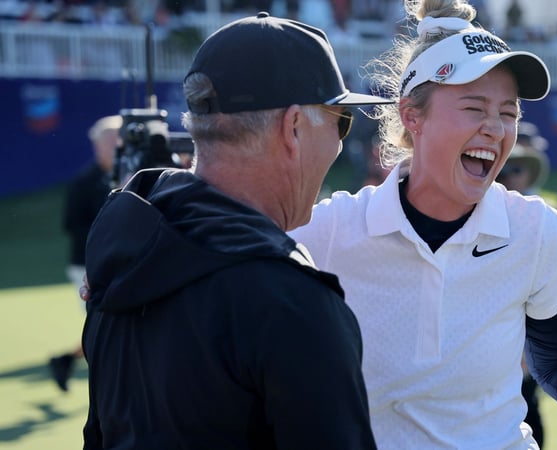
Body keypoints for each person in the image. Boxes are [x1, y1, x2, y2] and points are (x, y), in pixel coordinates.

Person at [289, 1, 557, 449]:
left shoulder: (536, 230)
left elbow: (556, 363)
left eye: (509, 113)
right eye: (475, 108)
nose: (496, 129)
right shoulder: (327, 231)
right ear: (411, 116)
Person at [80, 12, 392, 449]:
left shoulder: (123, 250)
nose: (341, 142)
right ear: (294, 127)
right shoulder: (290, 301)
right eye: (340, 119)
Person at [48, 114, 121, 392]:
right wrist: (106, 236)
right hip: (87, 266)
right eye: (112, 140)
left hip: (113, 264)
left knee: (109, 326)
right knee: (105, 328)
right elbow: (71, 224)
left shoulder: (128, 176)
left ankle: (65, 360)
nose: (118, 145)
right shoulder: (83, 182)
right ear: (99, 145)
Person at [495, 121, 550, 448]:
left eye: (517, 169)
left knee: (529, 409)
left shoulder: (543, 217)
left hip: (529, 334)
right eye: (505, 169)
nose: (510, 176)